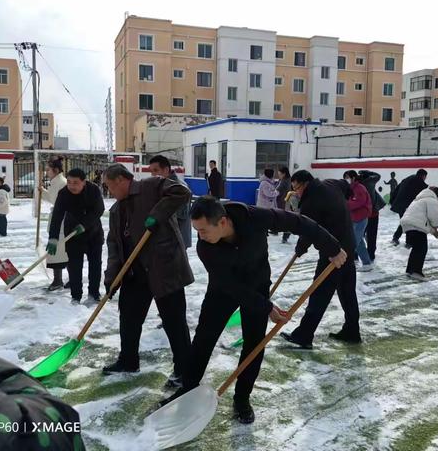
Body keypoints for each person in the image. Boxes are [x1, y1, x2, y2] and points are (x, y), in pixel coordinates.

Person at [160, 195, 346, 424]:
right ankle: (187, 391)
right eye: (197, 230)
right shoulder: (205, 248)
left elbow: (299, 223)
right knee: (203, 340)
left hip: (257, 284)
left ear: (223, 222)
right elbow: (232, 287)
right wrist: (267, 307)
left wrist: (332, 247)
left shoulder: (256, 217)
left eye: (204, 230)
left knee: (254, 343)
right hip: (223, 290)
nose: (200, 236)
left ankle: (242, 399)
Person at [102, 164, 193, 389]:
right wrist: (111, 278)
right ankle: (128, 360)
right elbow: (114, 245)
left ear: (122, 180)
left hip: (164, 268)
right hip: (134, 274)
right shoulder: (116, 211)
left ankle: (185, 369)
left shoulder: (151, 186)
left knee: (174, 322)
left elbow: (183, 193)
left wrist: (157, 214)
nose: (110, 192)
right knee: (129, 319)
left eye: (111, 186)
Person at [281, 171, 361, 349]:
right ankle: (352, 330)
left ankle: (304, 335)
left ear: (306, 183)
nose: (297, 192)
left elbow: (309, 230)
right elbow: (346, 186)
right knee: (347, 292)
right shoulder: (331, 183)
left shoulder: (311, 201)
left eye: (298, 188)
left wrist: (300, 248)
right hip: (348, 245)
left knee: (319, 293)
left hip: (333, 253)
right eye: (293, 189)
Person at [47, 168, 105, 305]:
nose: (71, 186)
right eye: (69, 182)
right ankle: (76, 296)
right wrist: (53, 237)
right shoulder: (64, 194)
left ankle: (94, 294)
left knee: (95, 265)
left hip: (93, 233)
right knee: (74, 266)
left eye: (75, 183)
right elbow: (57, 216)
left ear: (84, 182)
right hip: (72, 234)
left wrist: (84, 225)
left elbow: (99, 210)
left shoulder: (93, 190)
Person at [149, 155, 192, 248]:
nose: (153, 175)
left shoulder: (179, 188)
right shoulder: (162, 185)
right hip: (167, 240)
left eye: (156, 171)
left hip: (177, 240)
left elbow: (182, 214)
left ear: (166, 170)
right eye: (151, 171)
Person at [400, 186, 438, 281]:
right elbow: (432, 217)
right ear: (437, 195)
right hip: (416, 225)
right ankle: (416, 272)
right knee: (421, 249)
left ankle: (410, 270)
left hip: (408, 224)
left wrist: (434, 232)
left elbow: (424, 220)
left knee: (416, 248)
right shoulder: (431, 200)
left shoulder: (419, 199)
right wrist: (435, 226)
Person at [40, 156, 68, 291]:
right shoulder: (58, 181)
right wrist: (43, 192)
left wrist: (43, 192)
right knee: (62, 251)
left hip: (61, 221)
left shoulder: (58, 182)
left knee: (57, 250)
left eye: (48, 170)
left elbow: (53, 200)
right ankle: (66, 279)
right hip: (60, 219)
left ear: (55, 170)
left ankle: (58, 280)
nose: (47, 172)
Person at [343, 170, 373, 272]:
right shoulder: (350, 188)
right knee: (358, 242)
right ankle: (367, 263)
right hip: (354, 218)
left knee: (353, 241)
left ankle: (346, 263)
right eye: (345, 177)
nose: (346, 179)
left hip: (361, 218)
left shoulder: (359, 188)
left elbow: (358, 202)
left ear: (353, 177)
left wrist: (344, 204)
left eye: (347, 177)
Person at [390, 169, 428, 246]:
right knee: (408, 223)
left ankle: (396, 238)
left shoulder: (408, 178)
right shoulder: (418, 181)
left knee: (404, 222)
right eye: (425, 177)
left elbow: (397, 189)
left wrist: (392, 201)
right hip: (405, 206)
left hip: (399, 204)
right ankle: (408, 242)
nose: (425, 179)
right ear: (423, 176)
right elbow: (424, 190)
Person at [358, 170, 385, 262]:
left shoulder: (359, 184)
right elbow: (378, 175)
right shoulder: (371, 181)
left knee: (359, 234)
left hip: (362, 214)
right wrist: (367, 171)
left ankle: (356, 254)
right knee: (372, 234)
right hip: (373, 213)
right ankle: (371, 254)